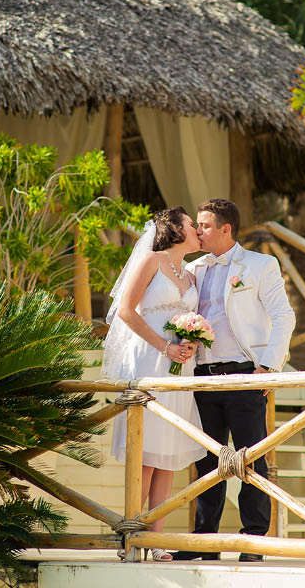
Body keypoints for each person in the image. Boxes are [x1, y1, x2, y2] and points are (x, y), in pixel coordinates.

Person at [172, 198, 295, 563]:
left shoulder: (260, 265)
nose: (198, 231)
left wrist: (269, 368)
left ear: (226, 229)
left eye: (205, 225)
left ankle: (252, 542)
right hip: (202, 378)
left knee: (250, 461)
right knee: (207, 462)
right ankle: (205, 542)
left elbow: (283, 316)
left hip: (244, 374)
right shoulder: (194, 268)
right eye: (197, 224)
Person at [103, 207, 207, 562]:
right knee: (146, 452)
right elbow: (126, 311)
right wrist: (164, 345)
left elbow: (193, 320)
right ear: (175, 229)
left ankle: (156, 539)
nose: (197, 230)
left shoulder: (191, 276)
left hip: (180, 365)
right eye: (192, 225)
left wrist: (191, 342)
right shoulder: (150, 260)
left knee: (168, 455)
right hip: (149, 358)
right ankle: (131, 535)